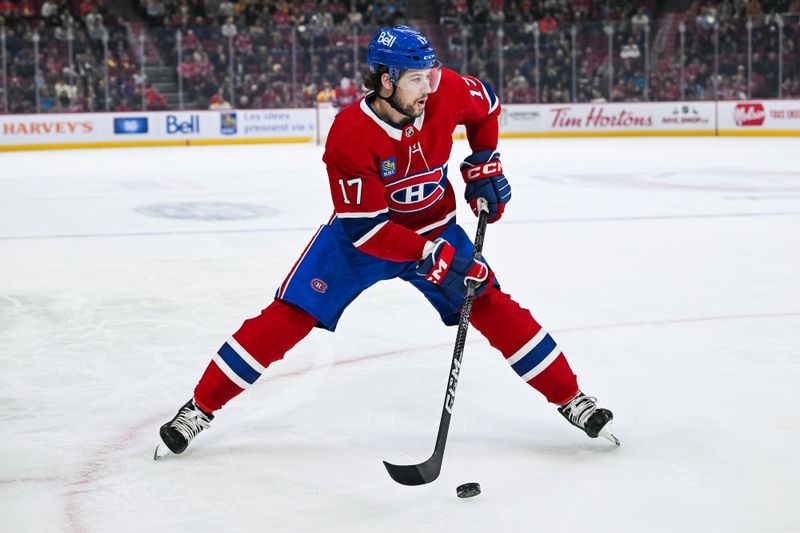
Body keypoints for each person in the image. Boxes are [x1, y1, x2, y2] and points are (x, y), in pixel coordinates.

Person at [156, 25, 618, 459]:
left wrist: (484, 163)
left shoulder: (445, 92)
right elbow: (368, 230)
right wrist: (432, 257)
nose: (429, 88)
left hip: (435, 227)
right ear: (384, 80)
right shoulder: (349, 135)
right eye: (417, 79)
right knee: (290, 314)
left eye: (431, 75)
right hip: (362, 242)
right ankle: (200, 407)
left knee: (490, 303)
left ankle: (571, 398)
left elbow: (488, 107)